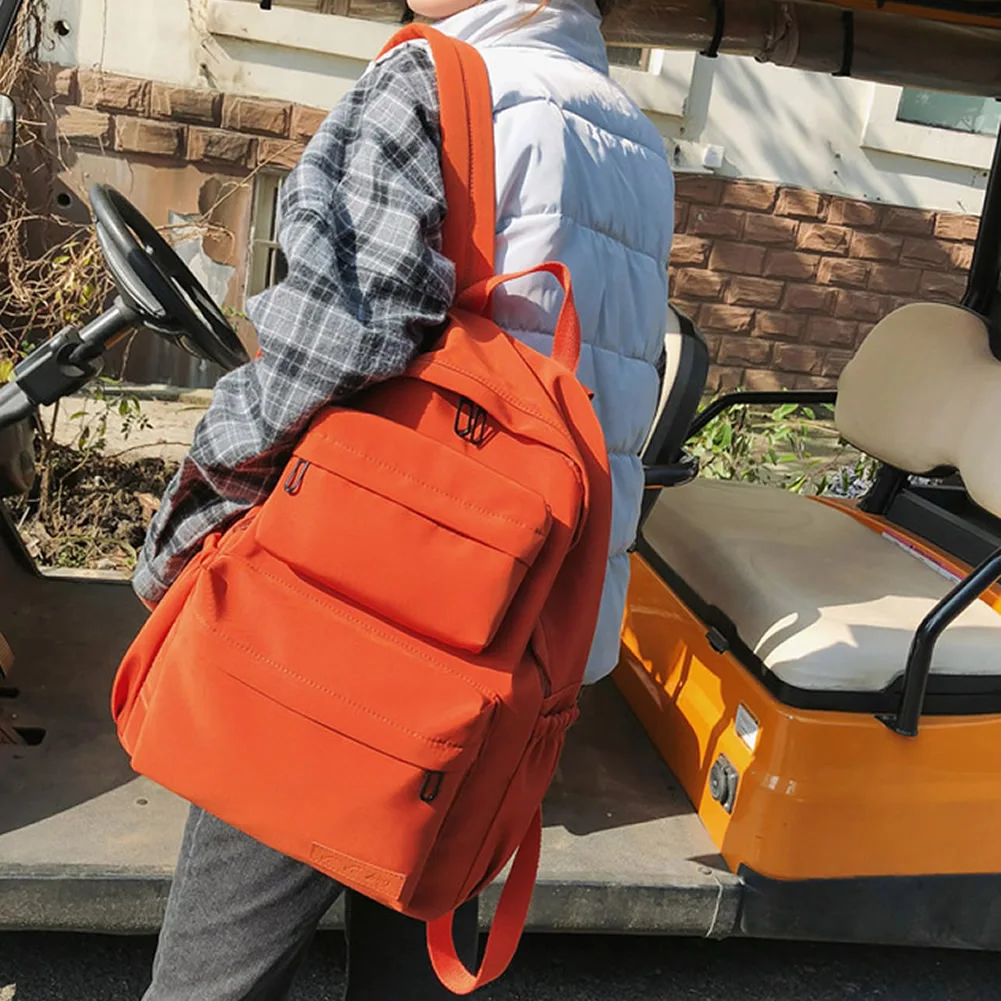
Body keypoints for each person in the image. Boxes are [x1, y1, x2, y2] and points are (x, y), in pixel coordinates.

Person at [134, 0, 674, 996]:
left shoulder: (435, 81)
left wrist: (197, 509)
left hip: (355, 616)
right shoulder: (633, 137)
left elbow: (335, 338)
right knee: (412, 949)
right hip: (516, 621)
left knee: (215, 975)